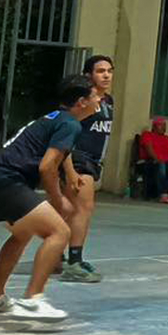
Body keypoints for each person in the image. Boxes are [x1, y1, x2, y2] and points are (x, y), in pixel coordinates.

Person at [0, 76, 98, 321]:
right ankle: (32, 300)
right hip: (6, 181)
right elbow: (47, 166)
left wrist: (71, 174)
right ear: (82, 101)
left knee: (22, 234)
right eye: (95, 96)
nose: (99, 100)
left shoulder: (56, 118)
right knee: (59, 232)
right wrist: (58, 199)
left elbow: (61, 155)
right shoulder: (70, 125)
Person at [58, 55, 114, 284]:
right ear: (88, 75)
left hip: (93, 160)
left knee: (67, 210)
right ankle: (74, 262)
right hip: (78, 159)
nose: (106, 75)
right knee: (83, 209)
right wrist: (69, 168)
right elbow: (66, 133)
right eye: (100, 71)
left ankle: (55, 254)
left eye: (109, 70)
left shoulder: (108, 101)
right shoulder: (81, 102)